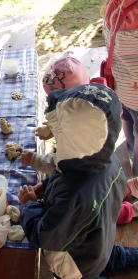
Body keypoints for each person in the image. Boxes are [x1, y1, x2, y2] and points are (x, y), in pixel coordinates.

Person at [18, 83, 138, 278]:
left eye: (61, 135)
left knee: (89, 271)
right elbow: (66, 173)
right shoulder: (105, 158)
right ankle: (113, 258)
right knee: (105, 256)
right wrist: (46, 186)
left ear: (77, 143)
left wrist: (30, 205)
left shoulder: (75, 200)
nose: (55, 136)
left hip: (77, 263)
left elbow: (47, 236)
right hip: (99, 241)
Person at [22, 52, 138, 225]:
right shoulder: (94, 118)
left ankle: (130, 209)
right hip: (105, 177)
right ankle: (126, 188)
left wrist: (31, 202)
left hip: (93, 199)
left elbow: (62, 163)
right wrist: (46, 186)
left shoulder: (77, 150)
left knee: (108, 211)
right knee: (112, 189)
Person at [102, 0, 138, 177]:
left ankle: (132, 153)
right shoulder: (118, 5)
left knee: (131, 124)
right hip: (126, 87)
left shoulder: (117, 6)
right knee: (129, 123)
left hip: (127, 87)